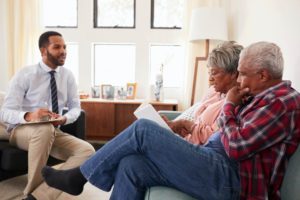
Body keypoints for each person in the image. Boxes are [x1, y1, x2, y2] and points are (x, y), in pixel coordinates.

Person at [42, 41, 300, 200]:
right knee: (132, 165)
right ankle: (79, 177)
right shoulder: (259, 95)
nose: (239, 80)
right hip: (213, 163)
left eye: (243, 74)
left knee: (144, 129)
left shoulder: (281, 102)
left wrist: (230, 106)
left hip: (232, 181)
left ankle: (78, 177)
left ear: (264, 75)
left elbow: (236, 147)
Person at [0, 31, 95, 200]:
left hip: (53, 130)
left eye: (65, 47)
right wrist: (30, 116)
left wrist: (64, 118)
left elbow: (75, 108)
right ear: (43, 51)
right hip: (22, 130)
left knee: (87, 151)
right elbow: (5, 112)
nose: (64, 51)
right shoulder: (25, 74)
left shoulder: (67, 76)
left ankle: (39, 196)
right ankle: (30, 192)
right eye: (57, 47)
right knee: (43, 130)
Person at [164, 41, 243, 145]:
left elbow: (215, 139)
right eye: (209, 73)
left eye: (214, 73)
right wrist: (178, 128)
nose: (210, 78)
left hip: (199, 152)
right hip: (186, 142)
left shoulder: (234, 102)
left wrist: (185, 124)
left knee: (142, 127)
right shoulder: (214, 92)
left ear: (233, 73)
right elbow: (195, 128)